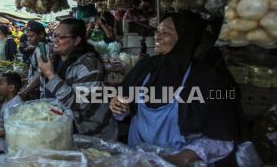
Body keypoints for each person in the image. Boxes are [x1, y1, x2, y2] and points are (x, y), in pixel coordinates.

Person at [109, 12, 243, 166]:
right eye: (157, 31)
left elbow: (222, 139)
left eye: (165, 32)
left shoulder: (208, 79)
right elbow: (124, 102)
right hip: (139, 157)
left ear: (185, 38)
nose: (157, 37)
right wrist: (117, 105)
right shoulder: (145, 67)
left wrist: (180, 159)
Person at [36, 18, 117, 140]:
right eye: (54, 36)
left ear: (77, 40)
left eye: (61, 37)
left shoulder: (89, 65)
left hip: (92, 134)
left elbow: (78, 103)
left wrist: (51, 76)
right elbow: (45, 95)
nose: (55, 41)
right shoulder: (52, 61)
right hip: (62, 131)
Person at [0, 72, 22, 153]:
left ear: (11, 87)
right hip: (5, 144)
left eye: (0, 84)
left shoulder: (15, 105)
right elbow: (6, 121)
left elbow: (15, 129)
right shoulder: (7, 101)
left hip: (11, 146)